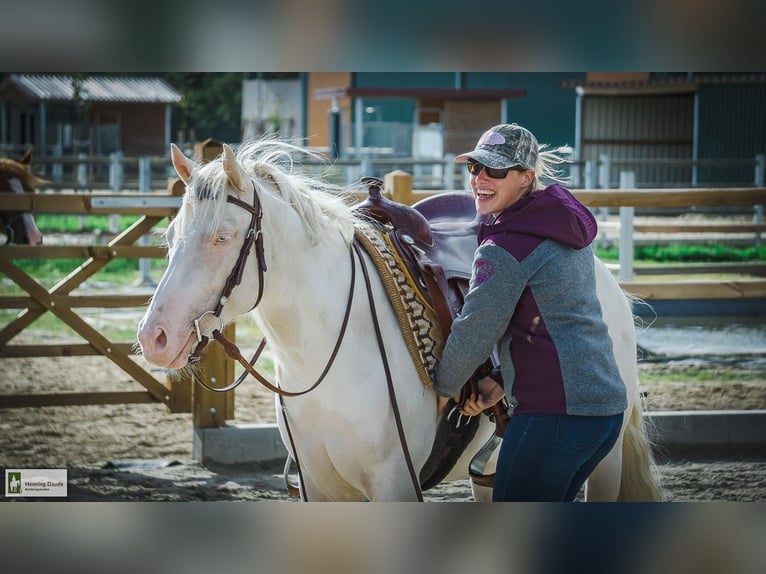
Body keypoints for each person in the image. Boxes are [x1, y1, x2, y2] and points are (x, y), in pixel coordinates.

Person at [434, 123, 627, 502]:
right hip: (602, 414)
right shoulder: (561, 224)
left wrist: (440, 391)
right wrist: (504, 378)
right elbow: (559, 320)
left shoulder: (505, 246)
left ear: (526, 177)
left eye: (496, 171)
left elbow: (475, 330)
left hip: (552, 418)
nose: (480, 179)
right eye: (474, 168)